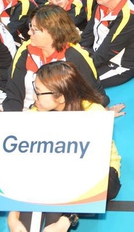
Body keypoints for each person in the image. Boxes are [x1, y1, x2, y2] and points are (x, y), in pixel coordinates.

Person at [7, 61, 122, 232]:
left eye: (38, 93)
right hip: (59, 172)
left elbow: (89, 173)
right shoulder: (36, 113)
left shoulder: (93, 113)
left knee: (58, 202)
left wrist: (65, 218)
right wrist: (13, 215)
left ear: (60, 97)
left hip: (101, 174)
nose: (34, 98)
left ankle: (67, 218)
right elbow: (24, 167)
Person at [81, 0, 134, 88]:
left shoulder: (127, 17)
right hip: (97, 54)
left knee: (74, 83)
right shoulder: (101, 6)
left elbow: (105, 52)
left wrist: (79, 67)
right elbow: (87, 36)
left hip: (119, 65)